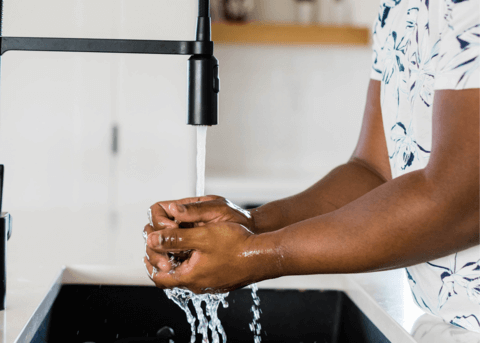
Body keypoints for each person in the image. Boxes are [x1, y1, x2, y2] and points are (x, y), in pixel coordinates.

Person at [143, 0, 480, 333]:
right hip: (440, 322)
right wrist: (252, 224)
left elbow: (459, 200)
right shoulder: (395, 6)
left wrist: (258, 254)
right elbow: (374, 173)